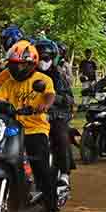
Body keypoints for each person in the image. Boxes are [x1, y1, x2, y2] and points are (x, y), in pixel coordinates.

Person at [0, 40, 66, 212]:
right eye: (13, 65)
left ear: (31, 64)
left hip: (35, 128)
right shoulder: (8, 83)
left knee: (41, 167)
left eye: (20, 65)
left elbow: (49, 95)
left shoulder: (42, 80)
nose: (16, 69)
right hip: (12, 127)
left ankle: (53, 210)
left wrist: (44, 105)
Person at [34, 38, 75, 178]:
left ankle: (64, 174)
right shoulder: (26, 74)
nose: (43, 61)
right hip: (29, 116)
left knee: (61, 135)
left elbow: (69, 99)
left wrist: (52, 99)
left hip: (54, 115)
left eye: (47, 57)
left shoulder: (58, 76)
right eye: (40, 57)